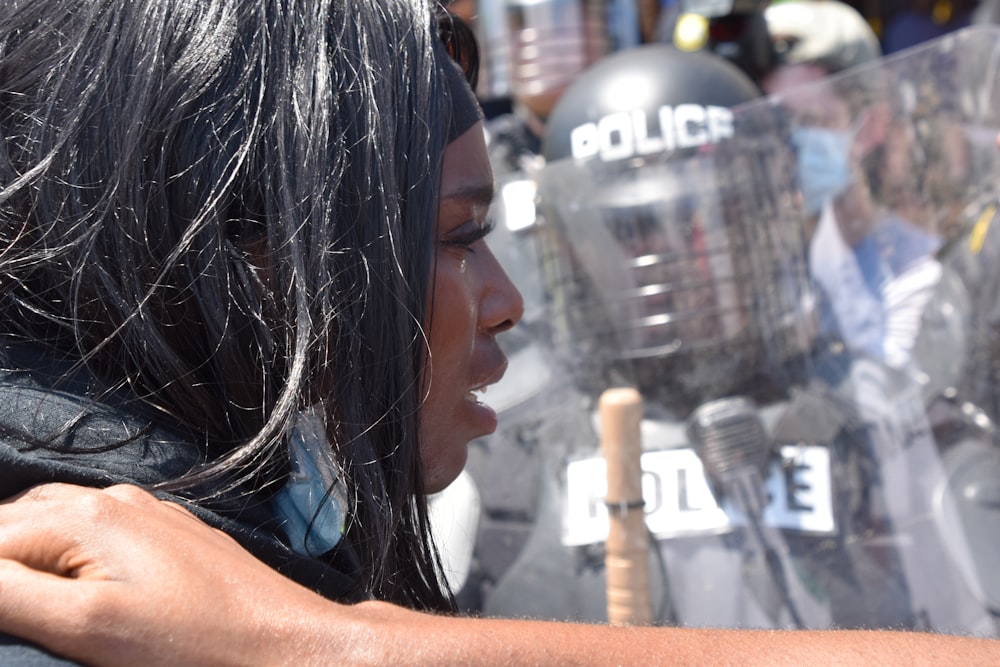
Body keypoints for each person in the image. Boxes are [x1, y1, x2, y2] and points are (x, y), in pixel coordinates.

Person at [0, 0, 997, 663]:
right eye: (464, 235)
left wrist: (330, 639)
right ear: (255, 259)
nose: (509, 297)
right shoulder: (78, 610)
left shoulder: (884, 415)